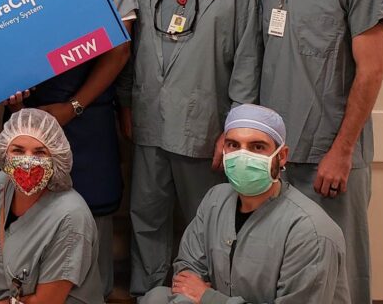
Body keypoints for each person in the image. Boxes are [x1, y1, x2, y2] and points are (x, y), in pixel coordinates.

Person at [118, 0, 261, 298]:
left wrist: (234, 131)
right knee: (146, 214)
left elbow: (247, 63)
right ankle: (149, 293)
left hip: (206, 128)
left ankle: (198, 294)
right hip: (149, 122)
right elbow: (127, 52)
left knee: (208, 219)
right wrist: (127, 104)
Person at [261, 0, 383, 304]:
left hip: (329, 154)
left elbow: (371, 72)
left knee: (339, 264)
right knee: (287, 263)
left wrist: (341, 152)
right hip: (278, 151)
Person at [2, 0, 137, 297]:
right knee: (23, 219)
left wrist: (74, 105)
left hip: (87, 116)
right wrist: (9, 86)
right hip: (26, 123)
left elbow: (119, 50)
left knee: (88, 230)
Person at [144, 104, 349, 304]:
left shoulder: (310, 232)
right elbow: (188, 273)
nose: (243, 156)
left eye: (257, 147)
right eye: (233, 145)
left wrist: (209, 298)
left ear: (282, 156)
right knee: (156, 298)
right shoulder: (215, 201)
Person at [0, 108, 103, 304]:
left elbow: (47, 302)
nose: (27, 162)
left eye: (40, 152)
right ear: (4, 152)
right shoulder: (1, 186)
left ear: (56, 157)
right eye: (17, 150)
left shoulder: (71, 217)